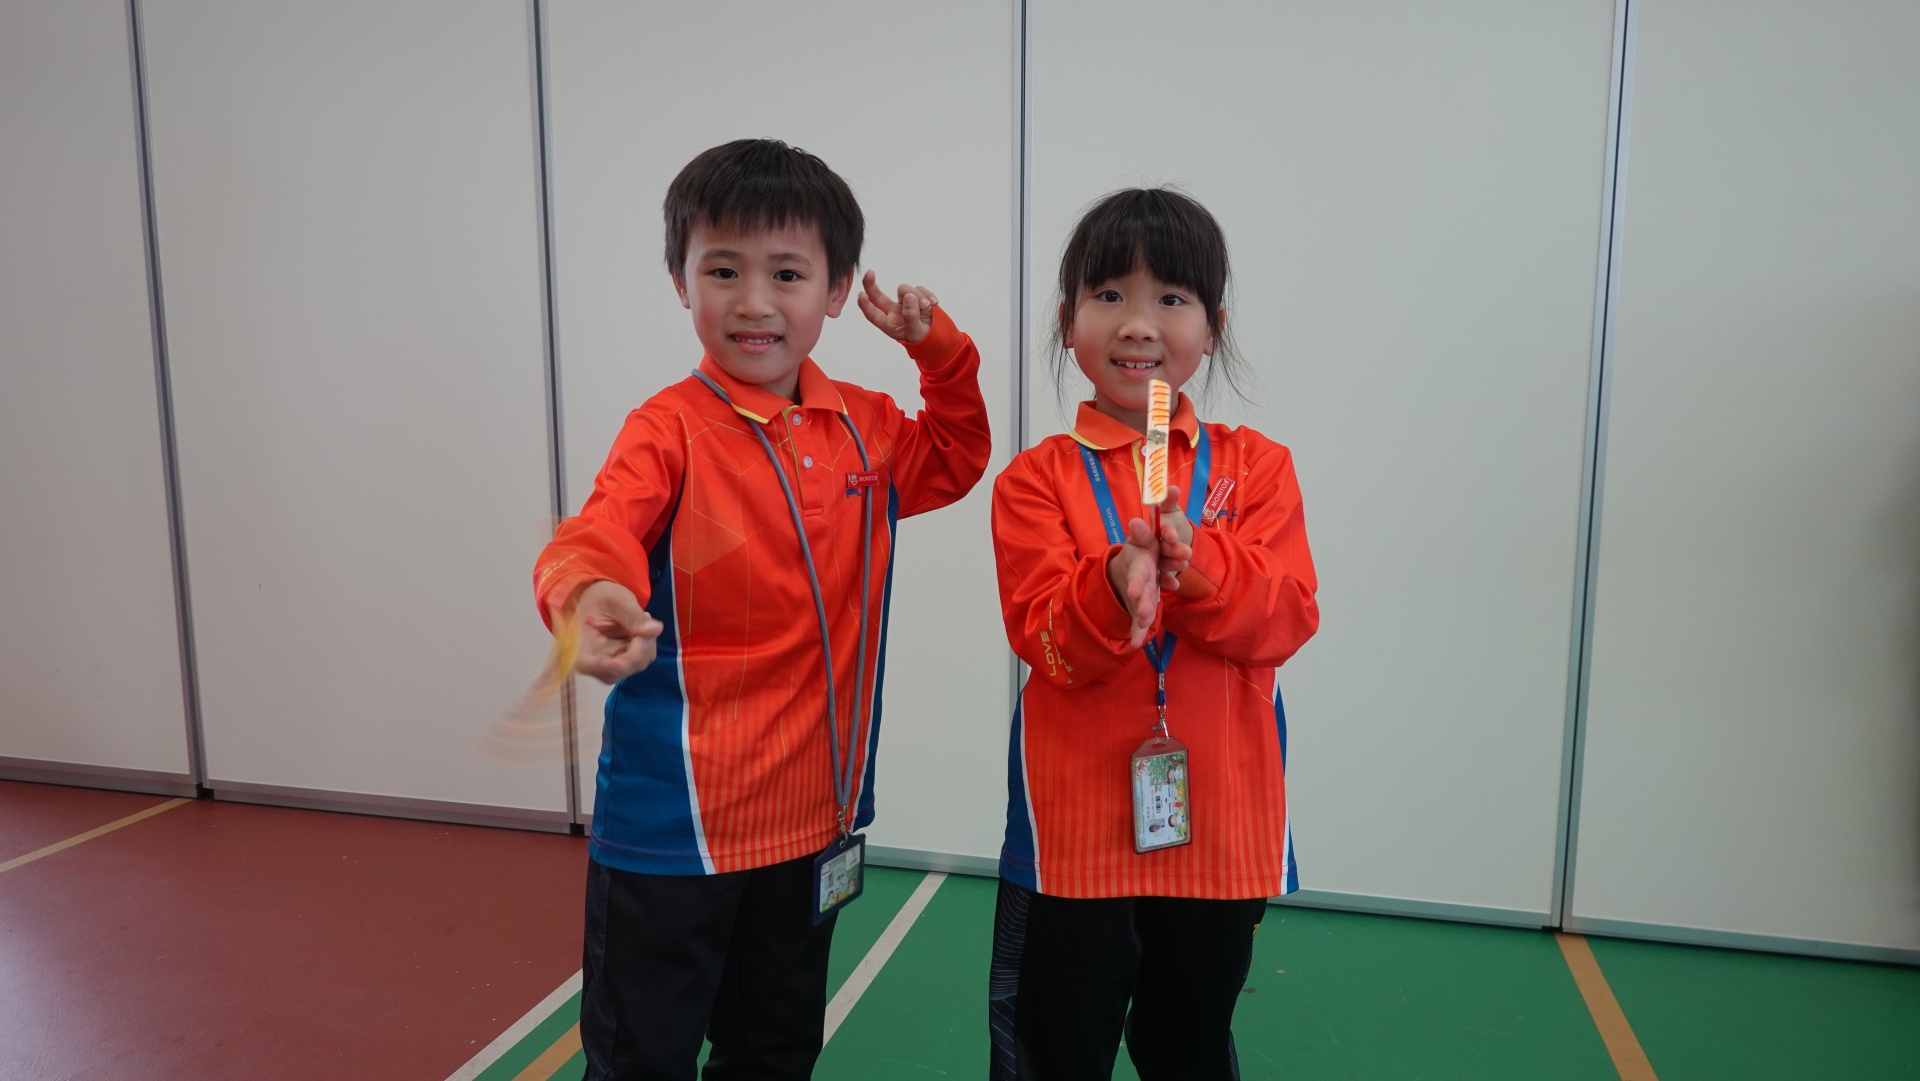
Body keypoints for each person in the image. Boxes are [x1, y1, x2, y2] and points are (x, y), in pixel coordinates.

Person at [533, 138, 991, 1080]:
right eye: (723, 271)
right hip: (676, 828)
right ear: (680, 280)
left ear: (836, 289)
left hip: (814, 819)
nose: (753, 302)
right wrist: (590, 593)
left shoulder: (865, 426)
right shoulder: (666, 429)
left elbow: (954, 454)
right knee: (642, 1058)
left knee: (775, 1051)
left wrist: (937, 350)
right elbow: (596, 531)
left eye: (786, 273)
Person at [988, 187, 1319, 1080]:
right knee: (1057, 1053)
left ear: (1213, 327)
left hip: (1222, 836)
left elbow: (1287, 615)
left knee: (1189, 1049)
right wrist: (1113, 583)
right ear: (1068, 322)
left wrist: (1195, 563)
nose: (1137, 322)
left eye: (1170, 297)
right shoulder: (1034, 481)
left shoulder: (1257, 468)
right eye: (1108, 295)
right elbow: (1044, 640)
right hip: (1073, 842)